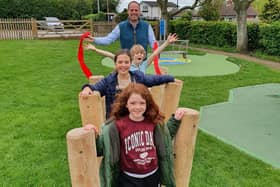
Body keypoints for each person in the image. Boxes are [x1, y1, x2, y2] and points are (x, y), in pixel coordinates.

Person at [84, 83, 187, 187]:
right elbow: (101, 148)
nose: (137, 107)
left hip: (152, 175)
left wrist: (175, 120)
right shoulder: (116, 126)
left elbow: (165, 139)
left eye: (142, 103)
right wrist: (94, 136)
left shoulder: (153, 122)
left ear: (147, 104)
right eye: (133, 103)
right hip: (129, 178)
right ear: (126, 104)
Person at [80, 49, 181, 119]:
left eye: (126, 62)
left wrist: (171, 78)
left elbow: (154, 79)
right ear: (115, 63)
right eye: (120, 62)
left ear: (130, 63)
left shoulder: (137, 77)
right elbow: (95, 87)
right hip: (116, 119)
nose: (123, 65)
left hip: (135, 118)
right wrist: (86, 88)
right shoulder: (109, 80)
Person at [84, 33, 179, 74]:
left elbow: (155, 53)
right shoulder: (126, 64)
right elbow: (110, 54)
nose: (140, 55)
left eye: (142, 53)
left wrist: (167, 42)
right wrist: (95, 49)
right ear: (132, 56)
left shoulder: (144, 65)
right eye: (137, 53)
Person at [84, 1, 156, 53]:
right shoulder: (121, 26)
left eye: (136, 10)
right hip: (126, 63)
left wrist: (157, 62)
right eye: (132, 10)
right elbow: (108, 39)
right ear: (128, 11)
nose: (134, 12)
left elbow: (154, 43)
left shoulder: (147, 26)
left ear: (140, 12)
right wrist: (95, 40)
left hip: (142, 63)